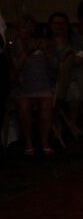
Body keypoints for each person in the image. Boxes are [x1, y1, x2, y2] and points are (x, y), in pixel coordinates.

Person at [9, 15, 57, 155]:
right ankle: (29, 143)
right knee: (24, 108)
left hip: (43, 84)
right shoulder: (13, 44)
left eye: (30, 27)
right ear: (18, 29)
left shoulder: (43, 42)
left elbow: (54, 65)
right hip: (23, 86)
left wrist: (45, 51)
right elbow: (16, 66)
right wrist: (27, 51)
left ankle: (44, 142)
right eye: (23, 27)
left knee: (46, 106)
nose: (27, 30)